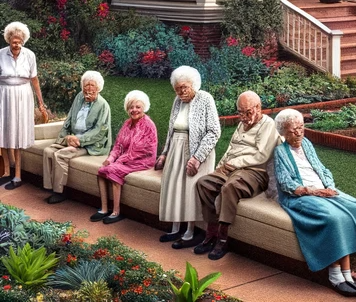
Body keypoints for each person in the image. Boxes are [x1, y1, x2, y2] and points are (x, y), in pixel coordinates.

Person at [273, 110, 356, 296]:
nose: (299, 132)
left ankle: (347, 272)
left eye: (301, 127)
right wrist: (313, 191)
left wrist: (329, 186)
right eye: (293, 130)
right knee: (333, 217)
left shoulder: (307, 144)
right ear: (283, 132)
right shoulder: (280, 152)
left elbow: (321, 168)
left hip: (322, 189)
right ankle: (335, 274)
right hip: (300, 196)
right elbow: (286, 183)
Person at [193, 91, 280, 260]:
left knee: (230, 186)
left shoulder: (267, 124)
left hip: (255, 172)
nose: (244, 117)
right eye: (240, 112)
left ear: (258, 108)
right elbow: (231, 149)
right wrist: (219, 168)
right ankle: (211, 233)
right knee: (204, 183)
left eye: (248, 112)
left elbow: (261, 156)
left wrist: (234, 164)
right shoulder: (242, 124)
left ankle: (223, 238)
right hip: (232, 169)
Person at [155, 66, 222, 249]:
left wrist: (197, 157)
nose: (181, 91)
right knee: (174, 187)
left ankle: (190, 232)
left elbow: (214, 132)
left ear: (194, 84)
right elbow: (171, 129)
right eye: (177, 88)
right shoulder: (177, 101)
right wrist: (164, 153)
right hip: (176, 147)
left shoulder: (205, 99)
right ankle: (176, 228)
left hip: (196, 150)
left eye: (185, 87)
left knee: (190, 189)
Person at [42, 70, 111, 204]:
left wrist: (80, 140)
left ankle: (59, 191)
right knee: (47, 151)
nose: (88, 89)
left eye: (92, 85)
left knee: (61, 154)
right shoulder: (79, 97)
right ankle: (49, 187)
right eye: (86, 85)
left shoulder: (103, 105)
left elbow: (100, 131)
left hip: (91, 144)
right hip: (73, 138)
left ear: (98, 88)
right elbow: (69, 120)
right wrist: (66, 137)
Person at [93, 90, 158, 224]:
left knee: (113, 170)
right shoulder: (127, 123)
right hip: (126, 160)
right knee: (101, 171)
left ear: (144, 108)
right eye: (131, 107)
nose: (134, 110)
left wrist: (119, 161)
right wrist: (110, 159)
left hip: (142, 161)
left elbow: (142, 150)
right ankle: (104, 209)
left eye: (137, 107)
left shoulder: (148, 125)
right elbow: (118, 146)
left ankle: (116, 212)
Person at [0, 23, 47, 191]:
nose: (16, 45)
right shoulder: (0, 54)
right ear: (8, 39)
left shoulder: (30, 55)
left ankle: (18, 175)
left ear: (23, 41)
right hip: (4, 95)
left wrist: (40, 102)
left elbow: (34, 79)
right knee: (3, 132)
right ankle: (6, 172)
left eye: (19, 42)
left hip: (22, 96)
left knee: (18, 134)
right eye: (14, 42)